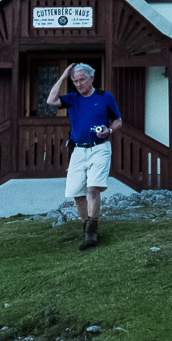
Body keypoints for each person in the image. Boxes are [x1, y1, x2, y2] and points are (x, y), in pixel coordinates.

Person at [47, 62, 121, 250]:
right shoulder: (72, 99)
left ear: (91, 78)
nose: (78, 84)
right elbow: (51, 100)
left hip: (100, 148)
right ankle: (86, 226)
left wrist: (109, 130)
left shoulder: (105, 97)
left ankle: (91, 233)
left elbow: (118, 120)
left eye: (81, 80)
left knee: (93, 188)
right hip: (78, 150)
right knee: (76, 192)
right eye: (75, 81)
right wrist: (64, 75)